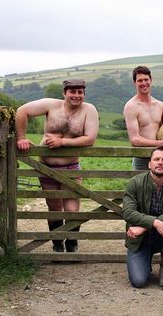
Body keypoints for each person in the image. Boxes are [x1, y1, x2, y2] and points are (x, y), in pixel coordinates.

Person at [15, 79, 99, 253]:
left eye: (80, 92)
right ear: (64, 93)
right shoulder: (51, 105)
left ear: (84, 94)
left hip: (71, 166)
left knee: (72, 208)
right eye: (72, 92)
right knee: (53, 206)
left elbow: (90, 138)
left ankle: (72, 243)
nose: (76, 96)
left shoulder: (89, 110)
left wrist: (62, 141)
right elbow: (22, 111)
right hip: (46, 168)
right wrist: (21, 138)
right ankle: (57, 243)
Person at [122, 146, 163, 290]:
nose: (160, 162)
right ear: (150, 164)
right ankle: (144, 260)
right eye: (156, 159)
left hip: (161, 235)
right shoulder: (135, 183)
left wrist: (144, 226)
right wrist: (155, 222)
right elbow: (128, 213)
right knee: (139, 281)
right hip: (138, 240)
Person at [123, 66, 163, 170]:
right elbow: (134, 140)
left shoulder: (160, 105)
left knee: (161, 186)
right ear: (134, 83)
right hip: (142, 157)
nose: (144, 83)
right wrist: (161, 143)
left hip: (160, 157)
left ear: (151, 80)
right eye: (140, 80)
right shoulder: (131, 106)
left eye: (146, 79)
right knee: (141, 186)